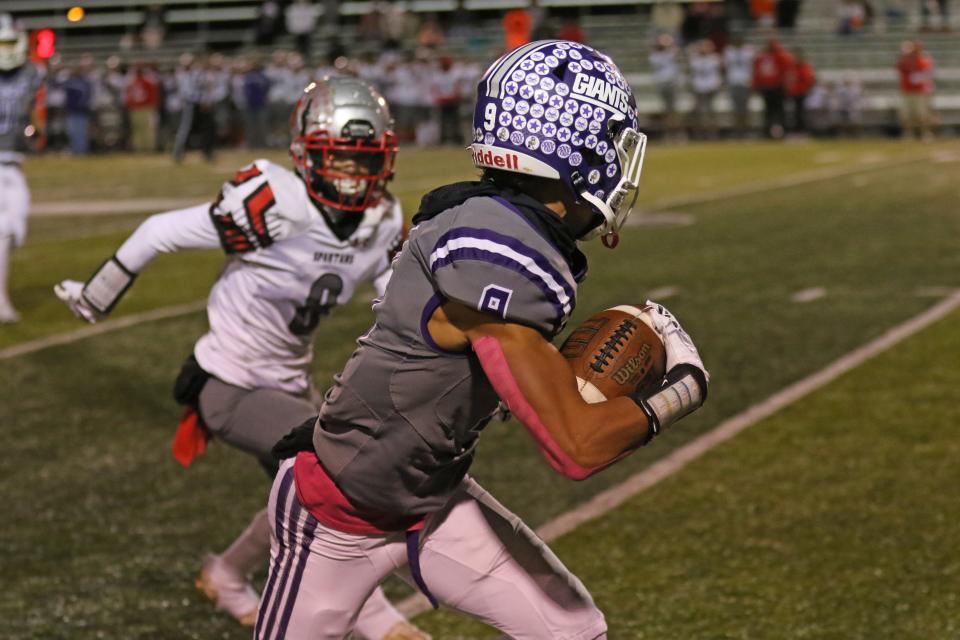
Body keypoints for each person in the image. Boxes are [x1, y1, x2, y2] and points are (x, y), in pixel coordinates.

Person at [255, 40, 709, 639]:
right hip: (335, 512)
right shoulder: (498, 246)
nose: (624, 164)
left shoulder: (501, 223)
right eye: (615, 143)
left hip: (432, 497)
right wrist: (682, 390)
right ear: (573, 148)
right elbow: (576, 447)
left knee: (575, 630)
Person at [53, 77, 428, 640]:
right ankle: (375, 617)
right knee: (337, 471)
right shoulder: (275, 203)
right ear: (305, 155)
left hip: (289, 383)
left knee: (309, 491)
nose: (352, 174)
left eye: (363, 159)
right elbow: (159, 231)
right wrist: (96, 294)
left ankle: (227, 574)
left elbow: (390, 299)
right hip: (227, 381)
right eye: (340, 158)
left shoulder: (380, 219)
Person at [0, 13, 43, 323]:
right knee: (3, 231)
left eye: (9, 42)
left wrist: (36, 130)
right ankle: (1, 301)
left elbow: (36, 112)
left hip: (14, 162)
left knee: (16, 229)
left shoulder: (31, 74)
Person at [752, 38, 793, 138]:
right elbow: (757, 72)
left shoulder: (780, 55)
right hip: (767, 87)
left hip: (777, 87)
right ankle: (768, 132)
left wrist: (785, 85)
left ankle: (782, 132)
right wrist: (756, 84)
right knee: (769, 111)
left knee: (779, 111)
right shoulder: (762, 56)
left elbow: (787, 71)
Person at [896, 40, 935, 139]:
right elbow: (900, 68)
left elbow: (926, 74)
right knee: (906, 114)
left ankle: (925, 132)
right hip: (906, 91)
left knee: (922, 114)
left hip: (920, 91)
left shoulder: (923, 61)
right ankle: (908, 133)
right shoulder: (903, 61)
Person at [724, 34, 754, 136]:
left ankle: (746, 129)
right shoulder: (729, 52)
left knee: (745, 108)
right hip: (734, 82)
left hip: (745, 82)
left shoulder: (748, 51)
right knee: (735, 108)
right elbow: (725, 66)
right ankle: (738, 130)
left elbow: (752, 66)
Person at [784, 48, 815, 134]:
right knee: (795, 113)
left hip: (801, 92)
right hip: (794, 92)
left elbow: (808, 79)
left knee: (800, 113)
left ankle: (802, 130)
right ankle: (797, 130)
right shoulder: (792, 66)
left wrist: (804, 89)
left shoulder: (804, 66)